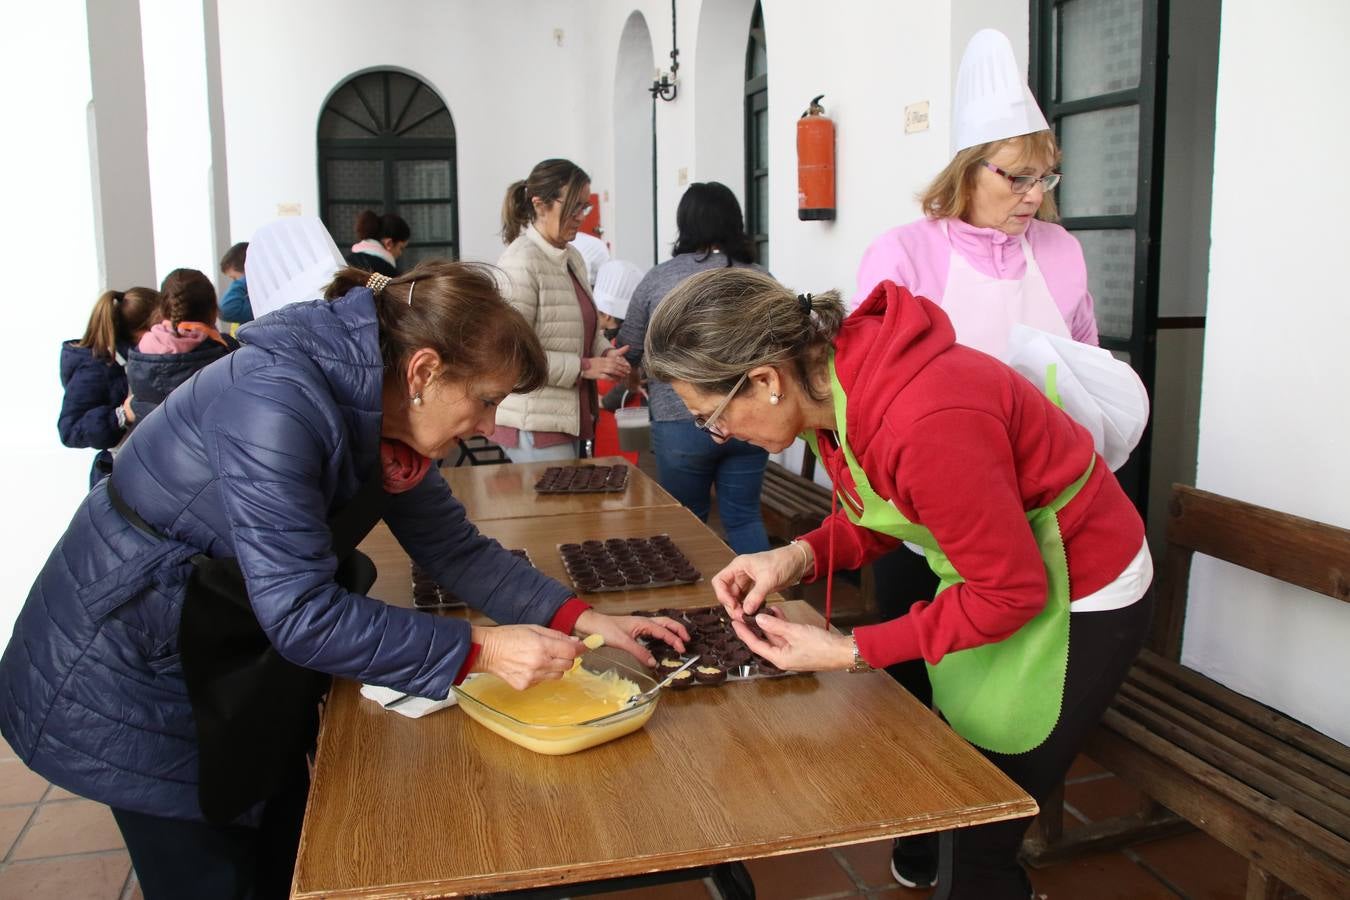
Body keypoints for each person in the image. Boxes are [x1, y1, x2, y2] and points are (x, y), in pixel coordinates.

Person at [1, 260, 687, 899]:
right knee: (209, 869)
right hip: (130, 665)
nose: (487, 424)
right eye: (483, 401)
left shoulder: (380, 412)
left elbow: (455, 550)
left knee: (282, 848)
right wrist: (481, 651)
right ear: (423, 369)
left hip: (218, 642)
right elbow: (301, 614)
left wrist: (585, 620)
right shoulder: (278, 403)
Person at [643, 267, 1153, 900]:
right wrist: (794, 558)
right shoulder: (834, 386)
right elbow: (889, 510)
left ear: (766, 380)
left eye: (710, 416)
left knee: (984, 816)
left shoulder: (926, 417)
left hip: (1082, 583)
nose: (716, 436)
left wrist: (850, 650)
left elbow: (1010, 593)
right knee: (953, 773)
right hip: (1001, 573)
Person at [853, 36, 1103, 867]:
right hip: (922, 517)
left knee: (1007, 685)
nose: (1034, 196)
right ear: (966, 168)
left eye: (1045, 177)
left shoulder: (1062, 254)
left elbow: (1091, 369)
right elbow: (866, 386)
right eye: (1015, 176)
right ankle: (915, 837)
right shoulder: (905, 252)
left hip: (1035, 517)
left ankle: (982, 841)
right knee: (913, 679)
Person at [618, 182, 770, 554]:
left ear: (684, 223)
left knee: (686, 522)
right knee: (745, 517)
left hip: (679, 420)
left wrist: (639, 377)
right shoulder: (759, 278)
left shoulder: (659, 278)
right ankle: (765, 603)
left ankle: (694, 609)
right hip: (752, 418)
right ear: (736, 221)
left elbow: (629, 348)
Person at [493, 159, 631, 462]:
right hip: (532, 420)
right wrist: (584, 367)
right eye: (574, 207)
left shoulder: (572, 257)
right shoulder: (521, 261)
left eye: (584, 207)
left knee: (568, 505)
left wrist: (606, 354)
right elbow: (510, 355)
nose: (581, 217)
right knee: (557, 507)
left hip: (566, 414)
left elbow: (586, 329)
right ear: (540, 204)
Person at [58, 287, 161, 487]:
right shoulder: (96, 367)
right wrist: (122, 415)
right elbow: (69, 430)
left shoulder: (143, 359)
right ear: (142, 331)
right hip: (117, 479)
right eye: (159, 327)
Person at [127, 268, 240, 422]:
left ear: (162, 309)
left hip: (157, 445)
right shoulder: (227, 351)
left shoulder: (139, 355)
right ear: (214, 310)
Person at [347, 210, 411, 276]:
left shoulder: (347, 262)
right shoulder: (387, 272)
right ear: (389, 243)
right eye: (401, 248)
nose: (400, 253)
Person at [218, 242, 253, 326]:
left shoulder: (262, 300)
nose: (235, 283)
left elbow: (226, 311)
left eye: (235, 278)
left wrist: (247, 277)